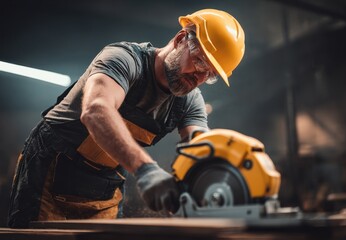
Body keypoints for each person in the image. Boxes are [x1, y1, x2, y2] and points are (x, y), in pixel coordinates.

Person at [7, 8, 245, 228]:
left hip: (104, 186)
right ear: (181, 39)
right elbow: (96, 110)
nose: (199, 77)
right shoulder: (124, 59)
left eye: (210, 74)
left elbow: (199, 149)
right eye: (200, 61)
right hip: (51, 168)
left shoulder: (190, 100)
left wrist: (201, 188)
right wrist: (146, 169)